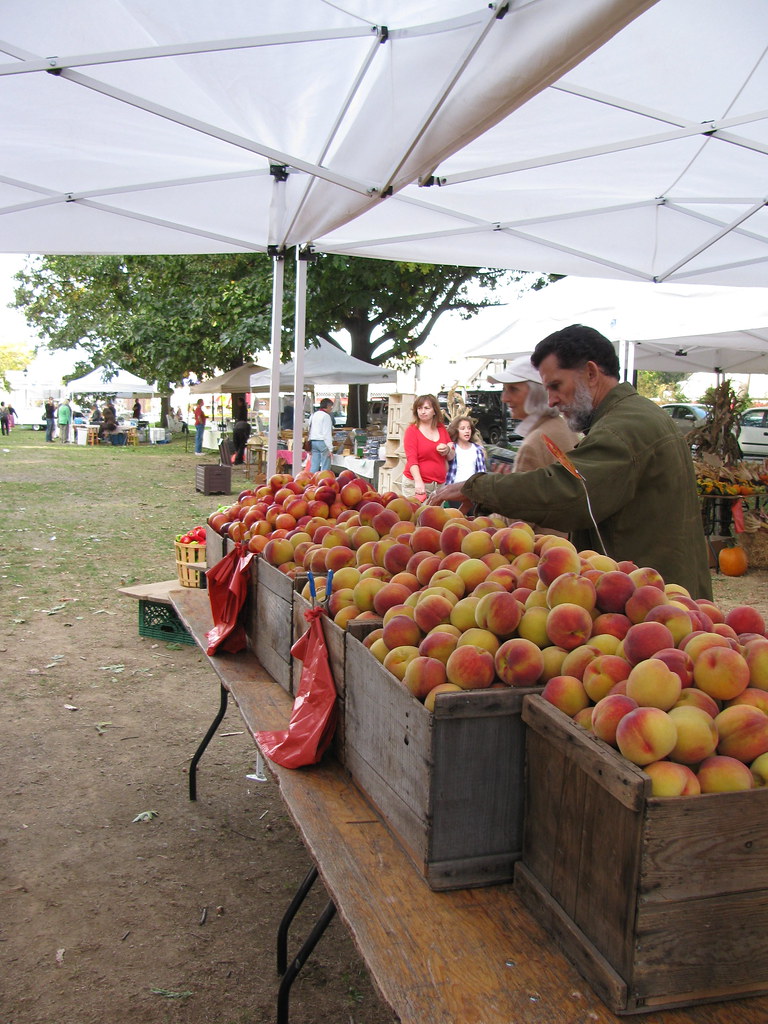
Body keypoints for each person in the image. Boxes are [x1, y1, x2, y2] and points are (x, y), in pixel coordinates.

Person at [431, 325, 712, 599]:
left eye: (556, 386)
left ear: (591, 373)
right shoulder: (636, 415)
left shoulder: (623, 428)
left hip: (652, 598)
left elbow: (568, 492)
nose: (551, 400)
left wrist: (477, 487)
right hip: (658, 591)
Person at [402, 394, 454, 501]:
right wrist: (418, 482)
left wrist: (447, 450)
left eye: (426, 408)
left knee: (437, 517)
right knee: (419, 516)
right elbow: (411, 459)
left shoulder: (441, 428)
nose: (422, 411)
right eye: (419, 408)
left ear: (434, 411)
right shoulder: (412, 431)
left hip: (439, 485)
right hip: (416, 484)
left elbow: (451, 456)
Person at [445, 415, 486, 485]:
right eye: (462, 428)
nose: (467, 431)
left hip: (470, 489)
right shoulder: (452, 448)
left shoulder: (477, 449)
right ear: (456, 430)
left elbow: (481, 472)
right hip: (452, 489)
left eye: (469, 428)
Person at [308, 398, 335, 472]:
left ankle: (311, 479)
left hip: (313, 441)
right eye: (331, 407)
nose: (331, 409)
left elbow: (309, 429)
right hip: (322, 442)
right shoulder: (326, 416)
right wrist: (330, 448)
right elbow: (327, 433)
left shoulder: (314, 415)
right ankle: (323, 480)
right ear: (328, 406)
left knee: (314, 465)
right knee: (325, 466)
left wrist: (309, 442)